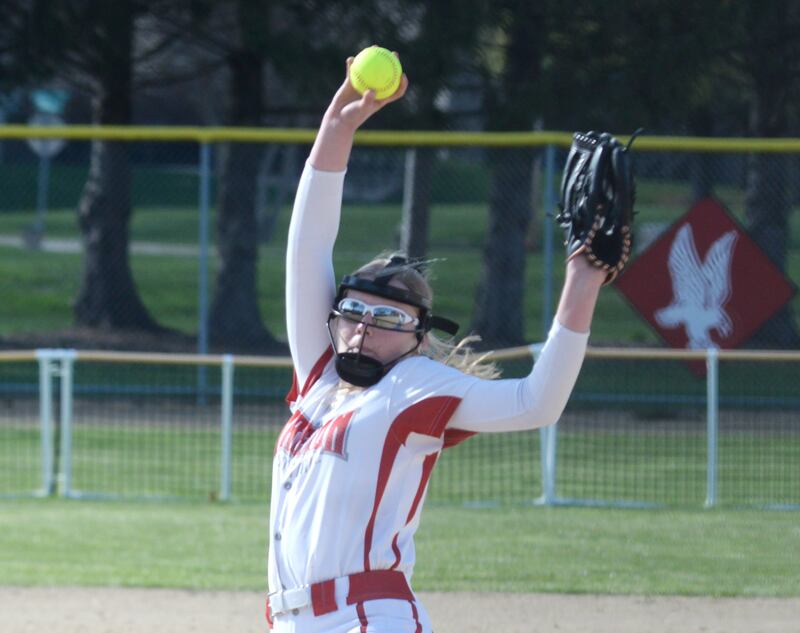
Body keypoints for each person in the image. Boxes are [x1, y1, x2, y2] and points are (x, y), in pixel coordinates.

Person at [267, 54, 607, 633]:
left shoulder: (413, 385)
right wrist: (337, 125)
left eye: (387, 318)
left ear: (417, 338)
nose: (365, 326)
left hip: (367, 618)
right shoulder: (320, 378)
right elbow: (307, 248)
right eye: (354, 311)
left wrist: (584, 278)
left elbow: (537, 403)